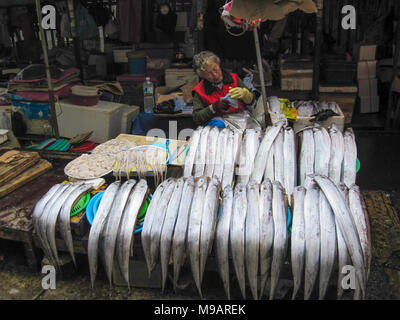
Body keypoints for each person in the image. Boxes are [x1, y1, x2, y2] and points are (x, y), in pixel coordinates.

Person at [191, 51, 261, 131]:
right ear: (202, 76)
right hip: (219, 124)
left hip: (242, 119)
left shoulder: (234, 78)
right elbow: (197, 118)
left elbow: (252, 103)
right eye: (208, 73)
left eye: (215, 69)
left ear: (218, 64)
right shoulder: (199, 91)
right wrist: (213, 107)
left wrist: (247, 95)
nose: (215, 74)